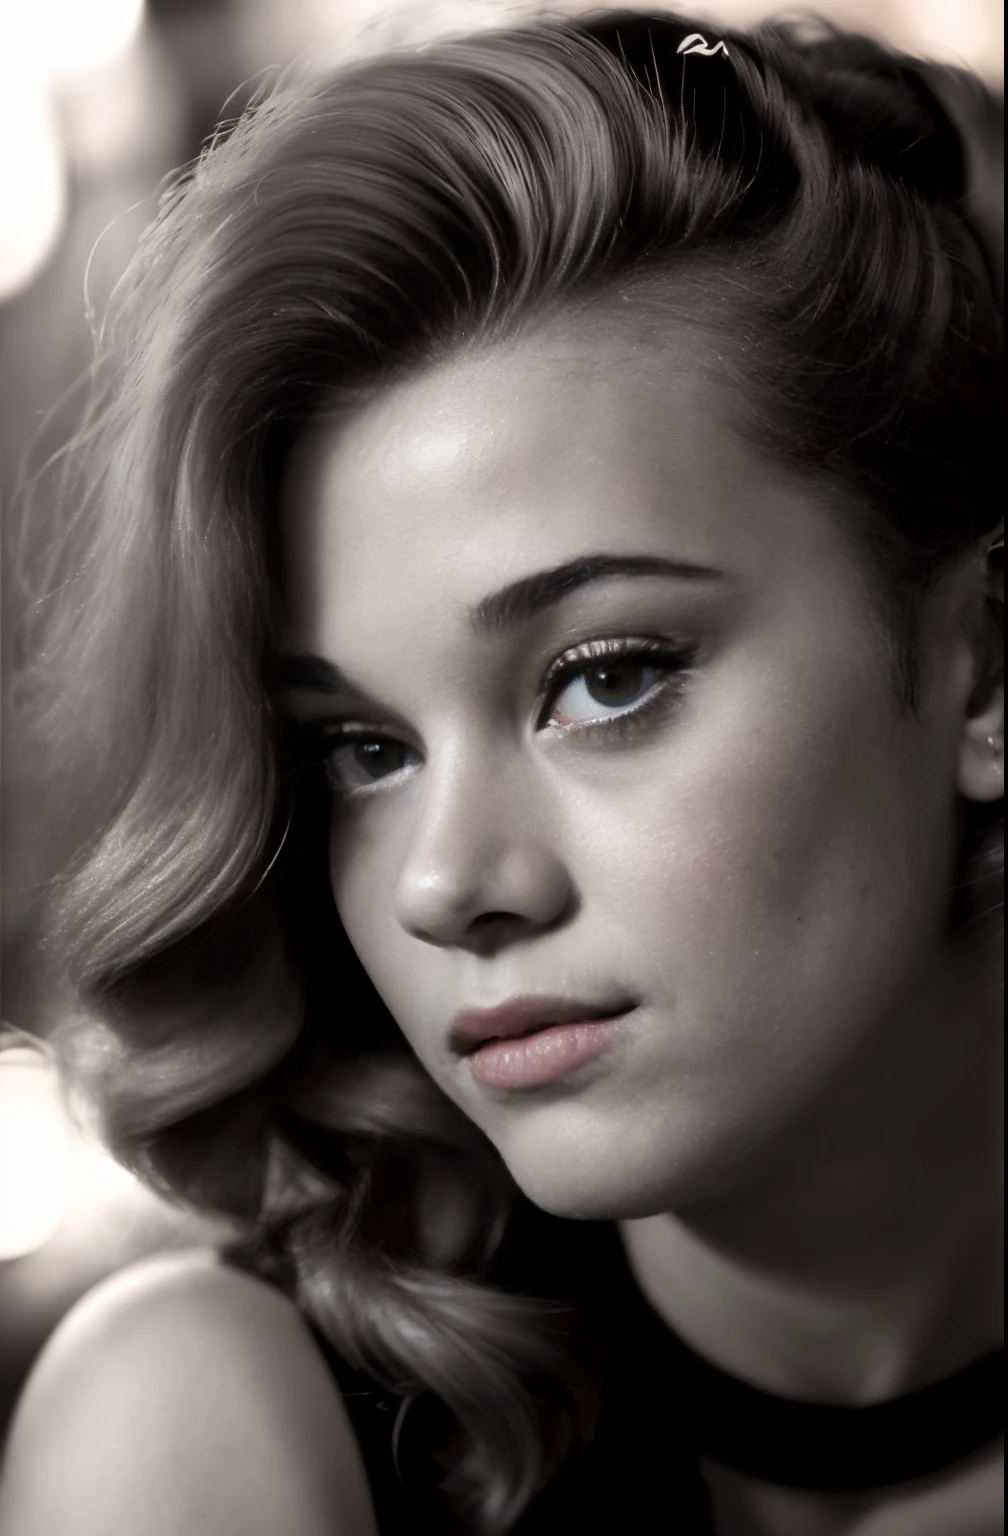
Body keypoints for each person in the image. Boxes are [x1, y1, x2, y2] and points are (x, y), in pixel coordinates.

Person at [0, 10, 1002, 1535]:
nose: (447, 884)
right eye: (362, 751)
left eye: (604, 680)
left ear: (983, 664)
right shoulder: (211, 1444)